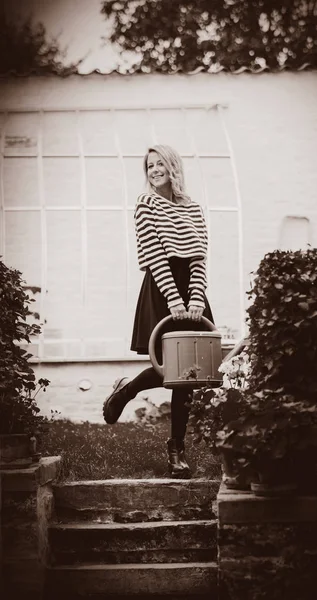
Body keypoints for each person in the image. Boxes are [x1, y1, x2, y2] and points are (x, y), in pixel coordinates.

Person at [103, 144, 214, 479]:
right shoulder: (145, 204)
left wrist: (196, 298)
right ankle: (128, 391)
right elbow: (154, 256)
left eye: (159, 163)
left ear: (173, 166)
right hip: (162, 285)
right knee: (173, 364)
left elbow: (199, 257)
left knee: (189, 371)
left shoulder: (193, 207)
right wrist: (175, 301)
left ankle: (176, 449)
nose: (153, 170)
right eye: (149, 166)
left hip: (191, 289)